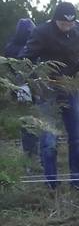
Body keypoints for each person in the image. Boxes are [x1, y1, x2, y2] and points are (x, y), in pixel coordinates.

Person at [21, 2, 79, 189]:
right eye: (63, 23)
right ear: (55, 19)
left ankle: (78, 182)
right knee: (49, 138)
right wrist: (25, 83)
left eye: (70, 24)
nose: (67, 27)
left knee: (77, 137)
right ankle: (51, 183)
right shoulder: (41, 32)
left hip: (71, 85)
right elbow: (26, 58)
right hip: (47, 87)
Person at [4, 18, 39, 159]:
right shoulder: (14, 48)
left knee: (32, 123)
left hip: (33, 88)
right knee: (29, 124)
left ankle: (33, 157)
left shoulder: (11, 47)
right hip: (23, 89)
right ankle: (31, 158)